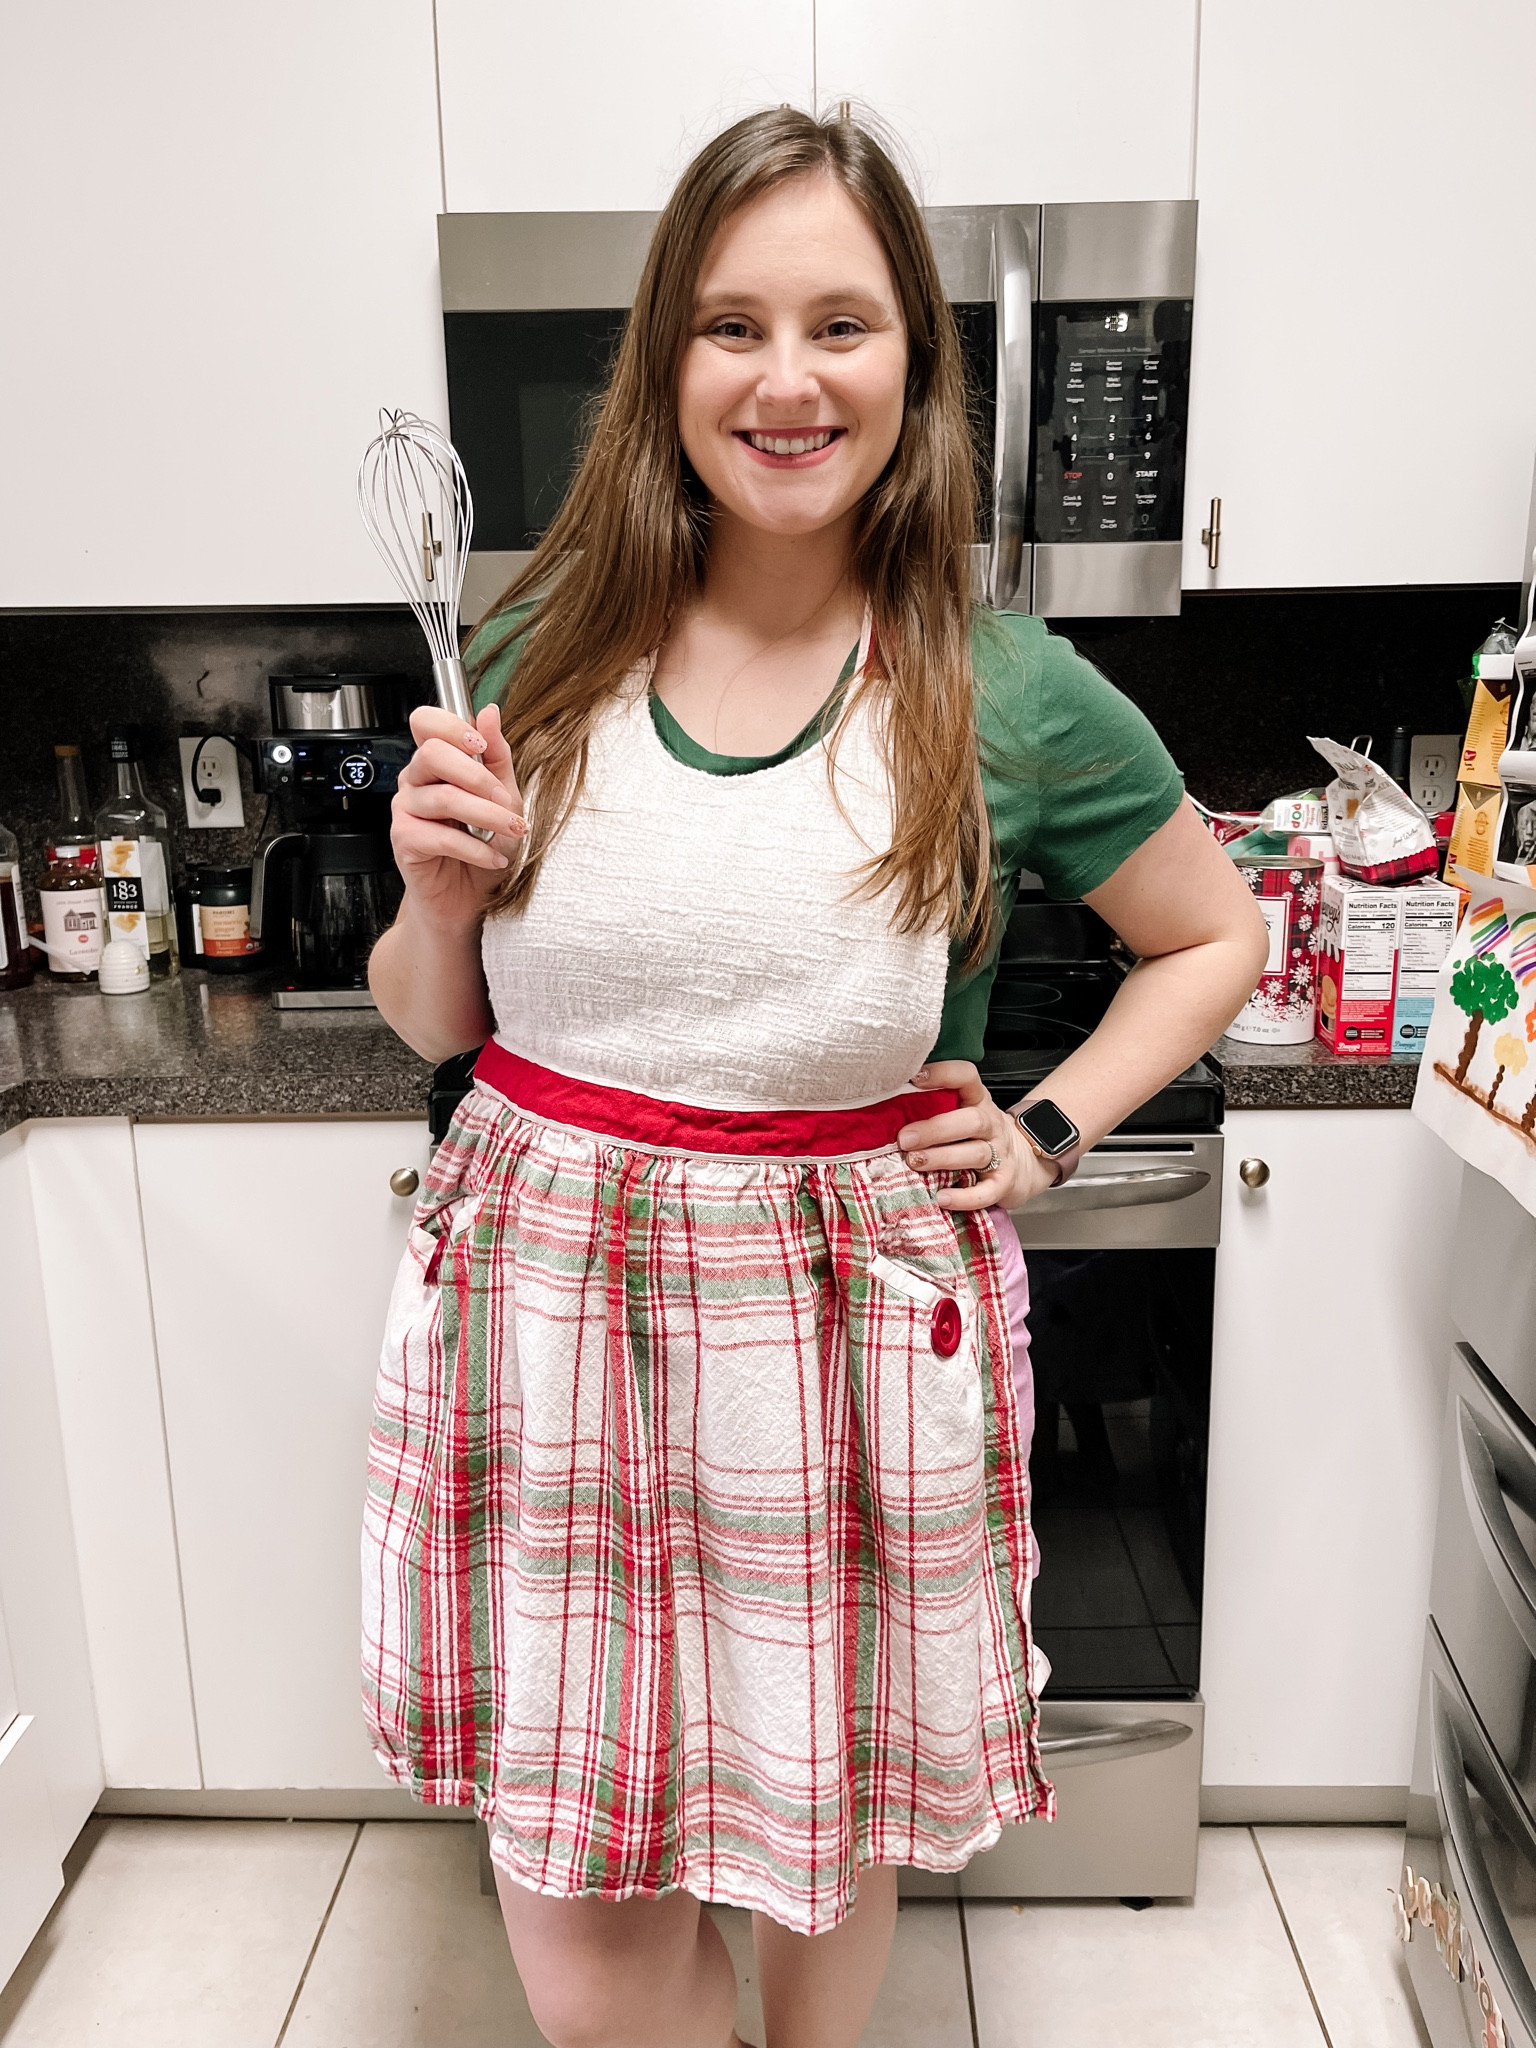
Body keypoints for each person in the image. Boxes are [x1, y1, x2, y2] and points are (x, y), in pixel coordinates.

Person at [364, 106, 1267, 2048]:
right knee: (593, 1937)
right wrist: (436, 897)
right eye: (731, 324)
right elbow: (438, 1019)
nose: (786, 380)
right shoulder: (535, 646)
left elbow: (1215, 935)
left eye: (842, 324)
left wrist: (1048, 1123)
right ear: (663, 366)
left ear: (916, 366)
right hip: (563, 1329)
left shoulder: (995, 686)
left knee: (821, 1822)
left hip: (836, 1346)